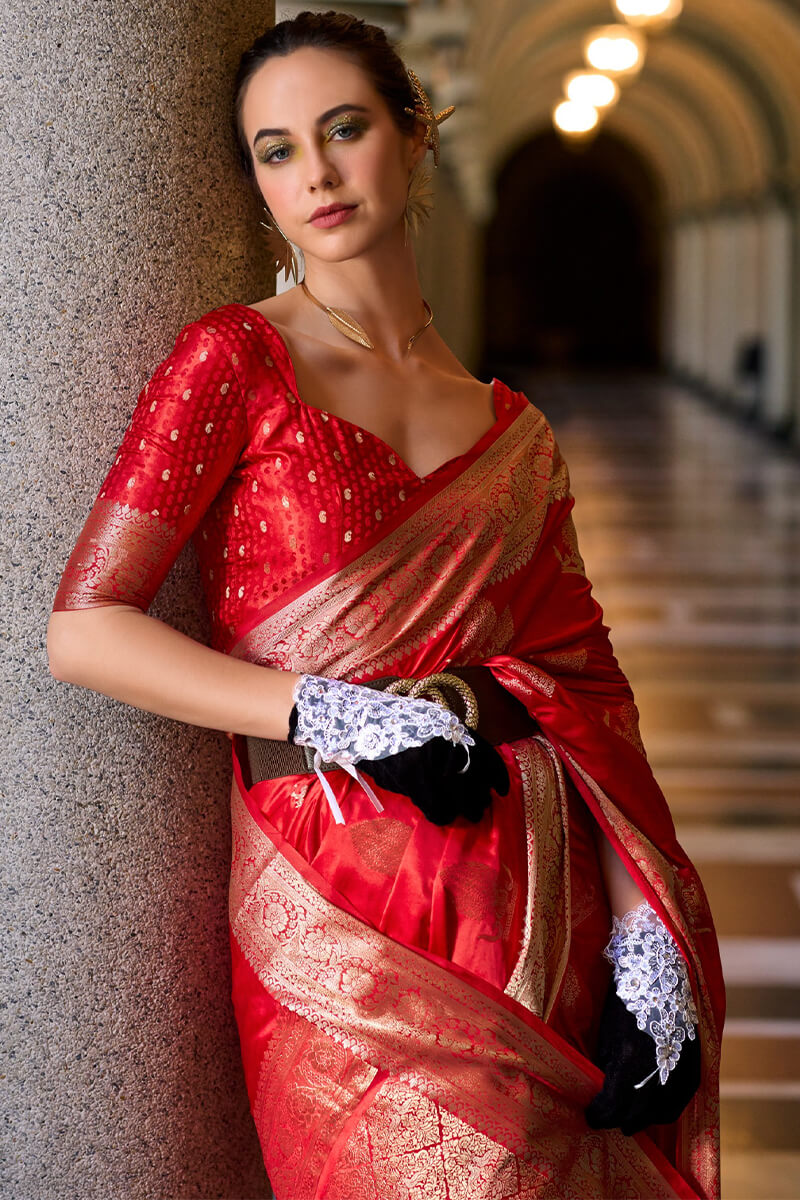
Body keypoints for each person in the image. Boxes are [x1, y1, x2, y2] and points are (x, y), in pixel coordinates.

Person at [47, 10, 724, 1199]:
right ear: (255, 186)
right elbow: (85, 627)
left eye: (342, 128)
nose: (312, 171)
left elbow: (584, 694)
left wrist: (644, 939)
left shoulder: (512, 430)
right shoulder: (235, 362)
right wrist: (333, 716)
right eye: (273, 149)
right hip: (337, 915)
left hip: (532, 897)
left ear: (413, 136)